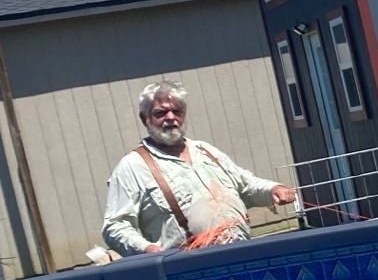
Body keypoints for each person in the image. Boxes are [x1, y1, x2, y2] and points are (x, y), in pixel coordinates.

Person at [101, 81, 296, 256]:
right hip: (188, 271)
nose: (171, 118)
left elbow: (246, 187)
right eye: (160, 113)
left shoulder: (206, 151)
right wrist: (148, 250)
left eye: (177, 111)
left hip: (241, 255)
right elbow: (115, 227)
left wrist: (274, 189)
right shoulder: (133, 167)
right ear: (145, 119)